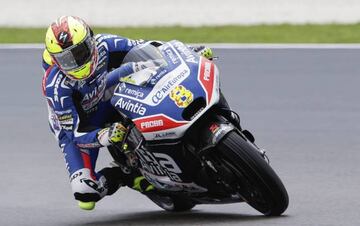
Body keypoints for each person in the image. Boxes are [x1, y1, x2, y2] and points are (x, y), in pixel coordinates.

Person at [42, 15, 214, 211]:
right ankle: (125, 175)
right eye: (66, 59)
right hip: (82, 125)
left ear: (90, 41)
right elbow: (75, 133)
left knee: (144, 66)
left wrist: (189, 54)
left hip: (107, 92)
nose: (76, 63)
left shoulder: (105, 43)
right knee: (86, 193)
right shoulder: (56, 87)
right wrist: (104, 135)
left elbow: (148, 47)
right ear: (55, 60)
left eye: (80, 52)